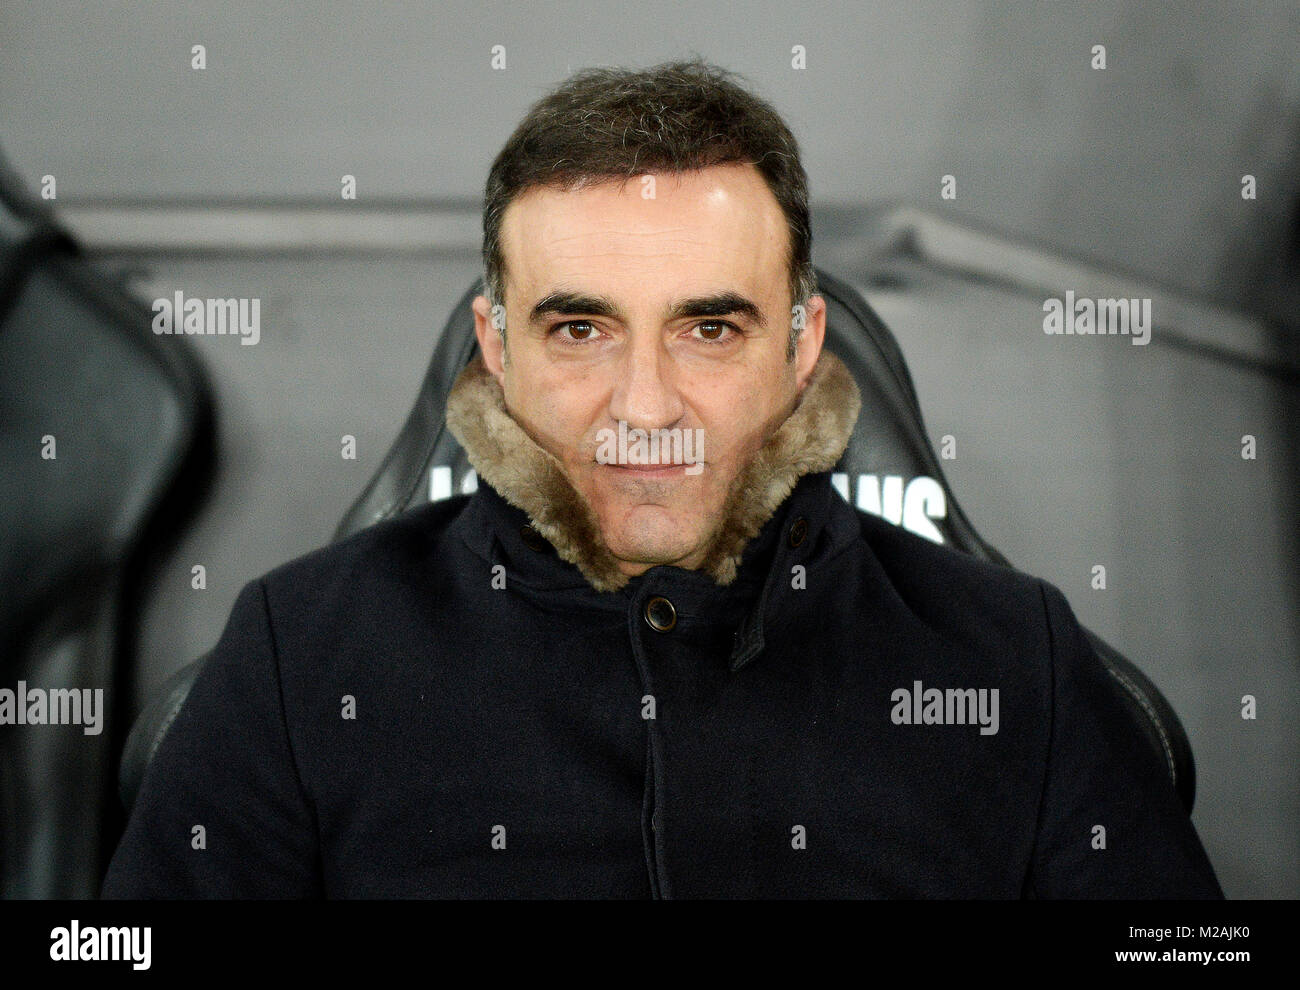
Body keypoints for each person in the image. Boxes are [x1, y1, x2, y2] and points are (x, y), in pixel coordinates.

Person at [102, 58, 1222, 899]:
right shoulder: (299, 658)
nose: (643, 406)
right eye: (580, 328)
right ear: (497, 348)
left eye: (710, 329)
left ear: (800, 345)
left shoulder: (1011, 656)